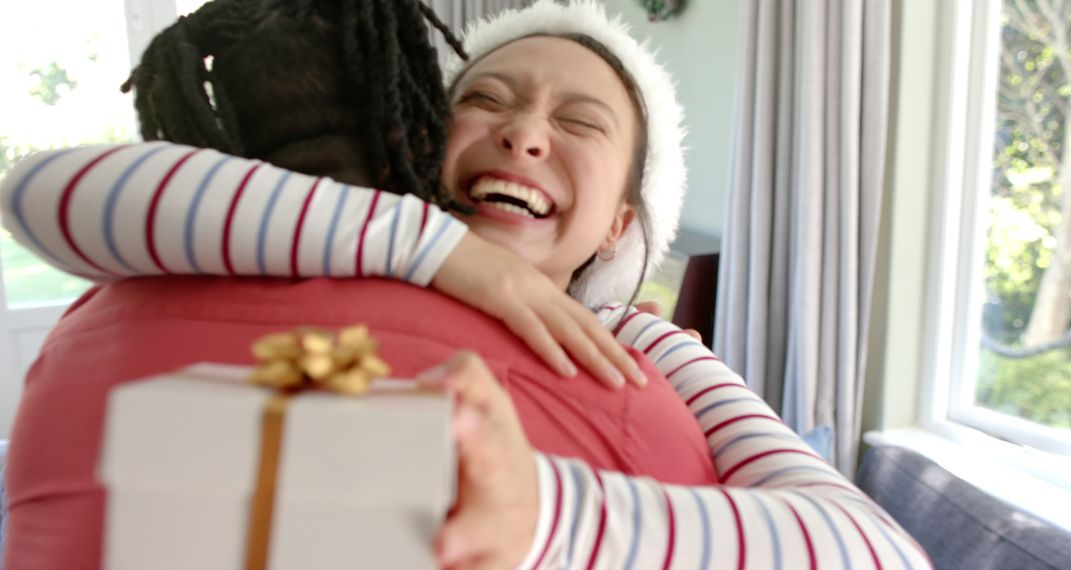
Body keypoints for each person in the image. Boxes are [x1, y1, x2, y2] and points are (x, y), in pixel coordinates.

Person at [1, 0, 932, 568]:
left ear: (618, 223)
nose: (524, 133)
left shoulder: (644, 344)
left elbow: (877, 554)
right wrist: (429, 249)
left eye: (580, 121)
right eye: (482, 100)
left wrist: (550, 516)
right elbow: (43, 192)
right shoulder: (303, 230)